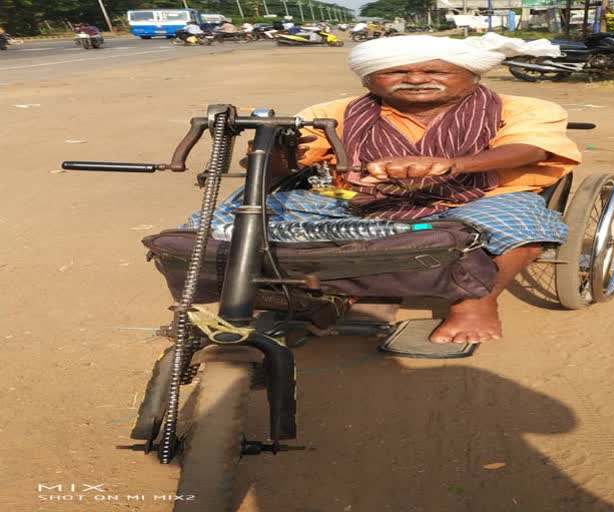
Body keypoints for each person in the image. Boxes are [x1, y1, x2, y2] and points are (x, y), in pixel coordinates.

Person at [185, 35, 579, 345]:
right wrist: (273, 151)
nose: (417, 79)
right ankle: (323, 289)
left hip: (481, 195)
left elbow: (528, 147)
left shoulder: (524, 107)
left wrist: (452, 164)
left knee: (517, 229)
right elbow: (286, 165)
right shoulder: (334, 111)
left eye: (437, 71)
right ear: (369, 79)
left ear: (472, 75)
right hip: (358, 198)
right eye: (396, 72)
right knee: (252, 214)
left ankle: (477, 301)